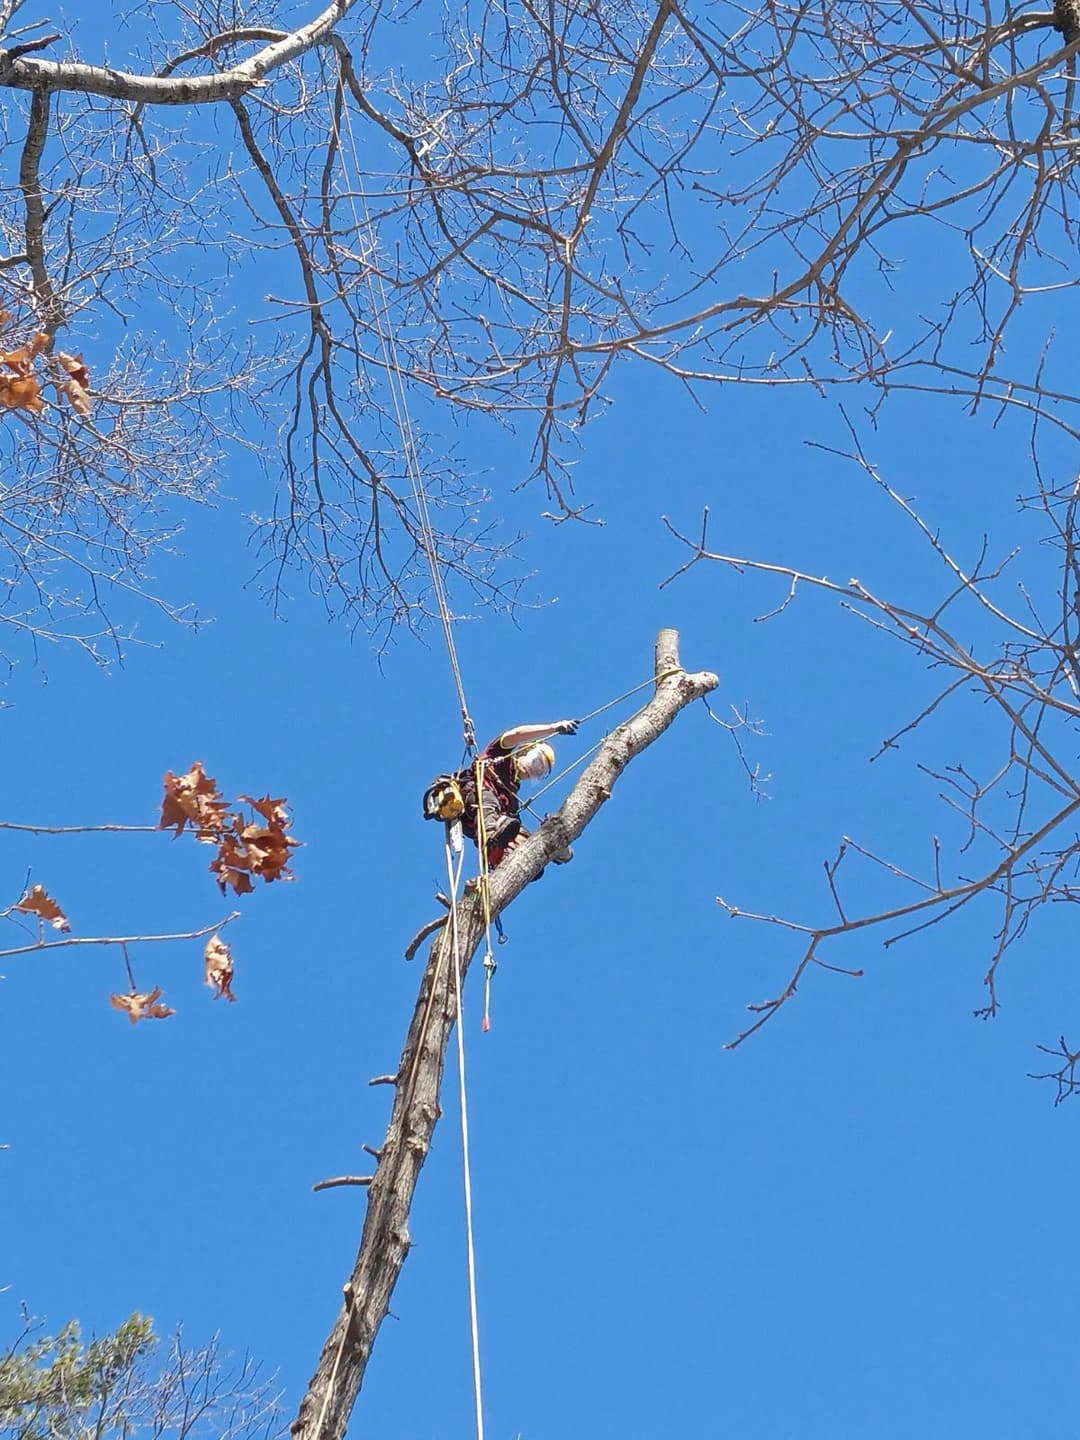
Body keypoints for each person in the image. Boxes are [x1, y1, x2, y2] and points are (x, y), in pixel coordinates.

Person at [460, 719, 578, 869]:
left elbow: (512, 826)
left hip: (490, 821)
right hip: (474, 801)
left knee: (519, 831)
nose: (533, 770)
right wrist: (552, 728)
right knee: (489, 799)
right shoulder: (499, 755)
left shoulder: (512, 797)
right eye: (536, 762)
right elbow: (516, 734)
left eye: (539, 772)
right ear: (526, 750)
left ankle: (549, 846)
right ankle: (490, 839)